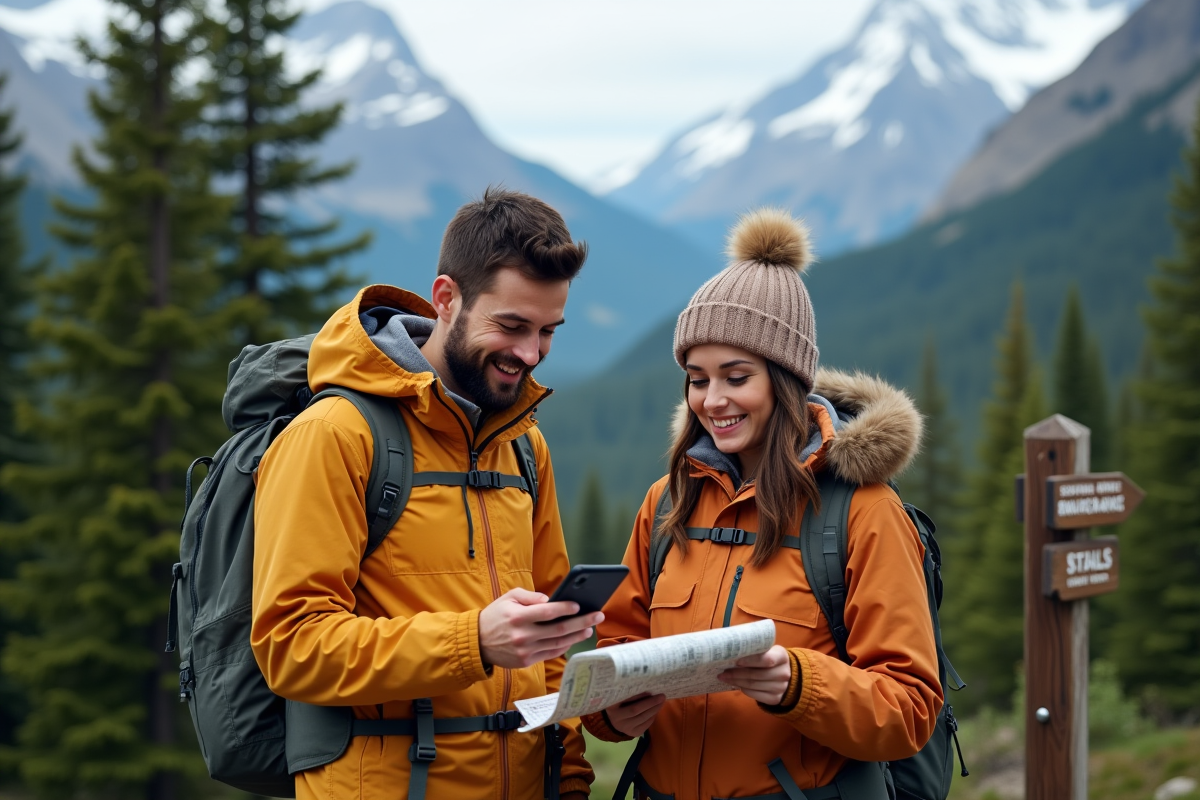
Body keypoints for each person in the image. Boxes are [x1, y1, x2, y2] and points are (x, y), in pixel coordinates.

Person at [582, 209, 943, 799]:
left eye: (736, 376)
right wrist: (609, 712)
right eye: (697, 379)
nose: (713, 399)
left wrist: (798, 682)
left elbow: (908, 710)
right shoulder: (668, 503)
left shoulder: (862, 512)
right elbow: (618, 648)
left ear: (784, 381)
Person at [251, 188, 597, 800]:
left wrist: (567, 776)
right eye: (511, 326)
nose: (530, 354)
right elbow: (293, 646)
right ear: (446, 299)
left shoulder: (521, 443)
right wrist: (475, 641)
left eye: (548, 331)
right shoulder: (336, 434)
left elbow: (549, 649)